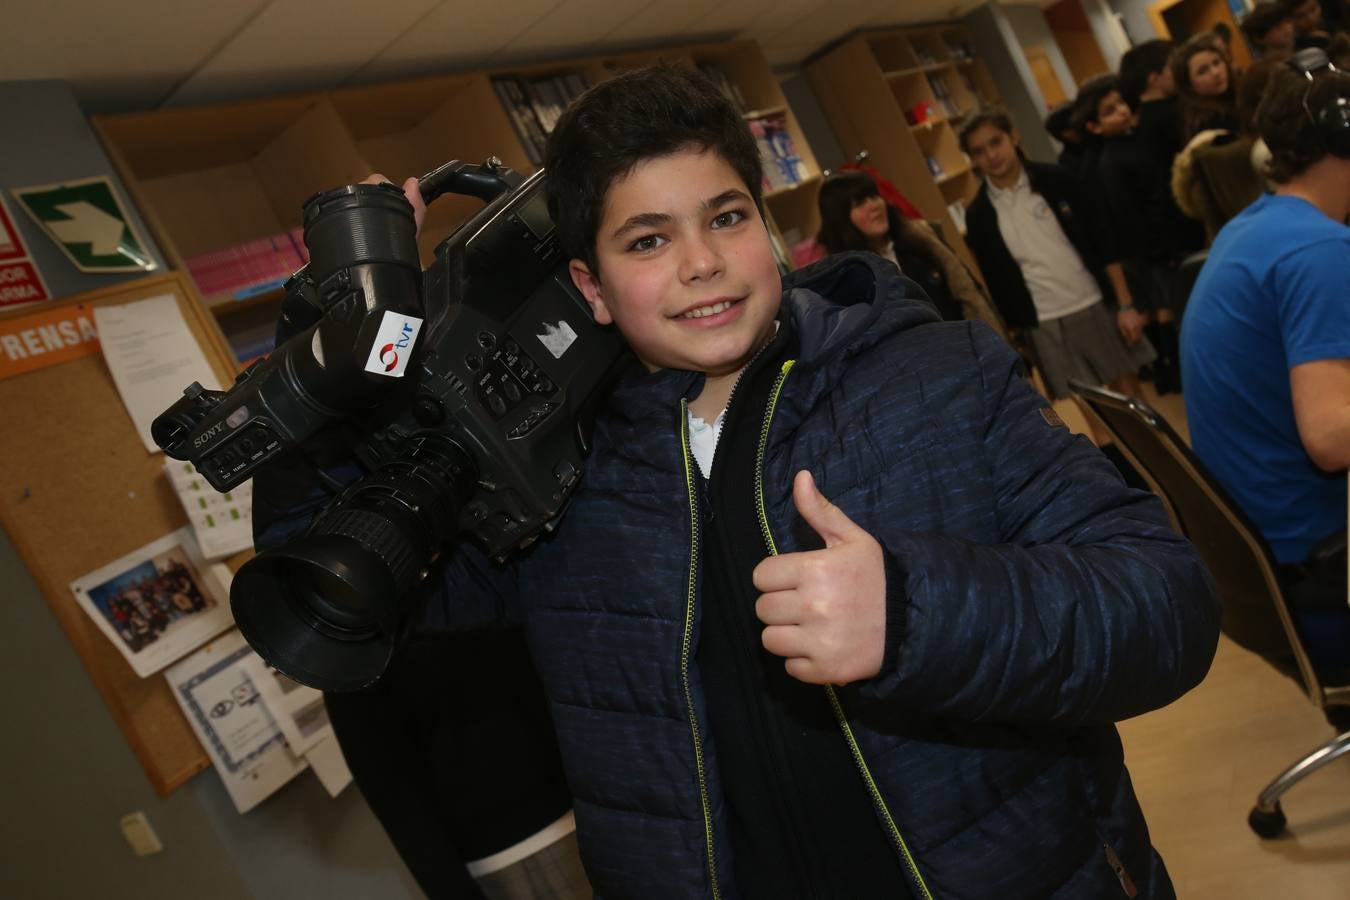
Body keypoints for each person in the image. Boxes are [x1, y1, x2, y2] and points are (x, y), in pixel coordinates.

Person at [261, 66, 1220, 898]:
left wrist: (916, 612)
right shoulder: (559, 469)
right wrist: (342, 339)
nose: (702, 264)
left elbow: (1165, 604)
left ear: (770, 226)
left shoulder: (938, 376)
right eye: (645, 241)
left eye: (725, 217)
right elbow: (346, 584)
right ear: (590, 288)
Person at [1181, 52, 1349, 673]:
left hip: (1260, 567)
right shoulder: (1319, 248)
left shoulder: (1253, 228)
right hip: (1324, 569)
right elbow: (1332, 437)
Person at [959, 111, 1153, 420]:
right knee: (1093, 414)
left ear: (1014, 136)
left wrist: (1125, 303)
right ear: (971, 159)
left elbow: (1103, 243)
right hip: (1045, 321)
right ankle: (1120, 470)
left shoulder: (1057, 179)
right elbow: (999, 283)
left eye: (995, 142)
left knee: (1133, 404)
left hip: (1093, 302)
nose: (991, 155)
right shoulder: (979, 215)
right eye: (979, 151)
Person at [814, 170, 1009, 342]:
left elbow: (965, 293)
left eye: (874, 196)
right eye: (860, 203)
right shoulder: (845, 279)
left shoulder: (919, 241)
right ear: (840, 219)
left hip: (967, 348)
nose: (874, 206)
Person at [1172, 33, 1241, 141]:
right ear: (1189, 85)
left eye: (1217, 62)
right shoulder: (1209, 122)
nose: (1215, 72)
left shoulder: (1239, 95)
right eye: (1202, 71)